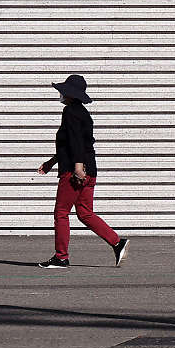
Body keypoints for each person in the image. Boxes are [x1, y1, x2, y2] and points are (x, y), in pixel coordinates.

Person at [36, 75, 129, 269]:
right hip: (90, 168)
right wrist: (52, 162)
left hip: (74, 170)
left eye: (63, 91)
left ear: (70, 94)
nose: (61, 94)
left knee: (61, 212)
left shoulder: (69, 112)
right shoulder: (83, 113)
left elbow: (76, 141)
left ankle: (61, 257)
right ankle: (117, 242)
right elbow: (73, 143)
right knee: (85, 212)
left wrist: (77, 167)